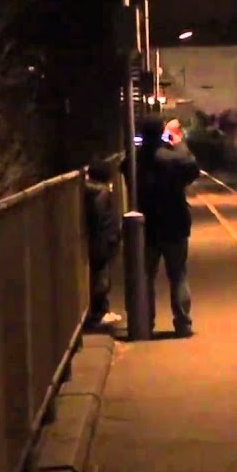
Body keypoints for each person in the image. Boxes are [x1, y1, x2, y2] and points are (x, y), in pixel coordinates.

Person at [136, 115, 201, 337]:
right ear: (162, 132)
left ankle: (144, 324)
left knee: (145, 278)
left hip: (145, 227)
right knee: (178, 275)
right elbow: (193, 168)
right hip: (175, 224)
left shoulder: (134, 160)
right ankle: (183, 324)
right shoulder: (173, 159)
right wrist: (178, 141)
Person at [84, 159, 122, 329]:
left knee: (100, 276)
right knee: (101, 278)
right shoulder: (102, 194)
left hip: (100, 239)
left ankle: (100, 310)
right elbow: (102, 219)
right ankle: (98, 313)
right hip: (102, 240)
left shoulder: (92, 192)